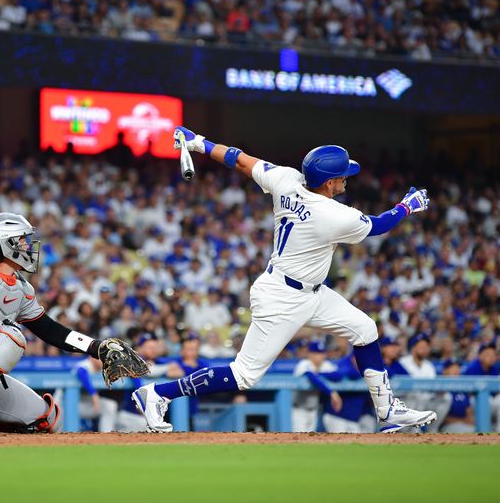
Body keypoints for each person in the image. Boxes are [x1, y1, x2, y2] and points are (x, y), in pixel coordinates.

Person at [132, 126, 436, 433]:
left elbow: (240, 160)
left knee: (365, 328)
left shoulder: (286, 179)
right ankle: (158, 393)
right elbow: (380, 225)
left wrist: (199, 143)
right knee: (244, 375)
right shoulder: (333, 215)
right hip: (282, 297)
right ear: (330, 183)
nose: (347, 179)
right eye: (344, 175)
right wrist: (407, 205)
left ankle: (387, 411)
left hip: (313, 293)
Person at [0, 212, 146, 435]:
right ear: (4, 244)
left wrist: (95, 347)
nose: (28, 246)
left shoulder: (20, 287)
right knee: (11, 335)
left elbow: (49, 329)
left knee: (47, 418)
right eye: (22, 240)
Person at [398, 333, 450, 432]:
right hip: (407, 402)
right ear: (413, 348)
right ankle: (405, 430)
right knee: (413, 399)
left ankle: (432, 430)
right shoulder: (403, 363)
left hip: (425, 402)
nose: (425, 349)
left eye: (427, 347)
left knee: (446, 398)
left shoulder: (429, 365)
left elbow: (433, 387)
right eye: (421, 346)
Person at [292, 339, 340, 432]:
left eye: (322, 353)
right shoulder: (303, 364)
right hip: (299, 410)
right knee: (298, 439)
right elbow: (311, 377)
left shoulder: (325, 365)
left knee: (311, 441)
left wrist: (320, 373)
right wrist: (331, 393)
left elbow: (337, 375)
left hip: (314, 410)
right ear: (309, 354)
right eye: (317, 353)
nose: (320, 356)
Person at [73, 356, 119, 432]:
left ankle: (107, 437)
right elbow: (80, 372)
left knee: (109, 406)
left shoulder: (102, 370)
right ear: (93, 357)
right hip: (65, 404)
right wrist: (94, 394)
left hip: (84, 402)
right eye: (102, 359)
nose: (105, 361)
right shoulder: (85, 364)